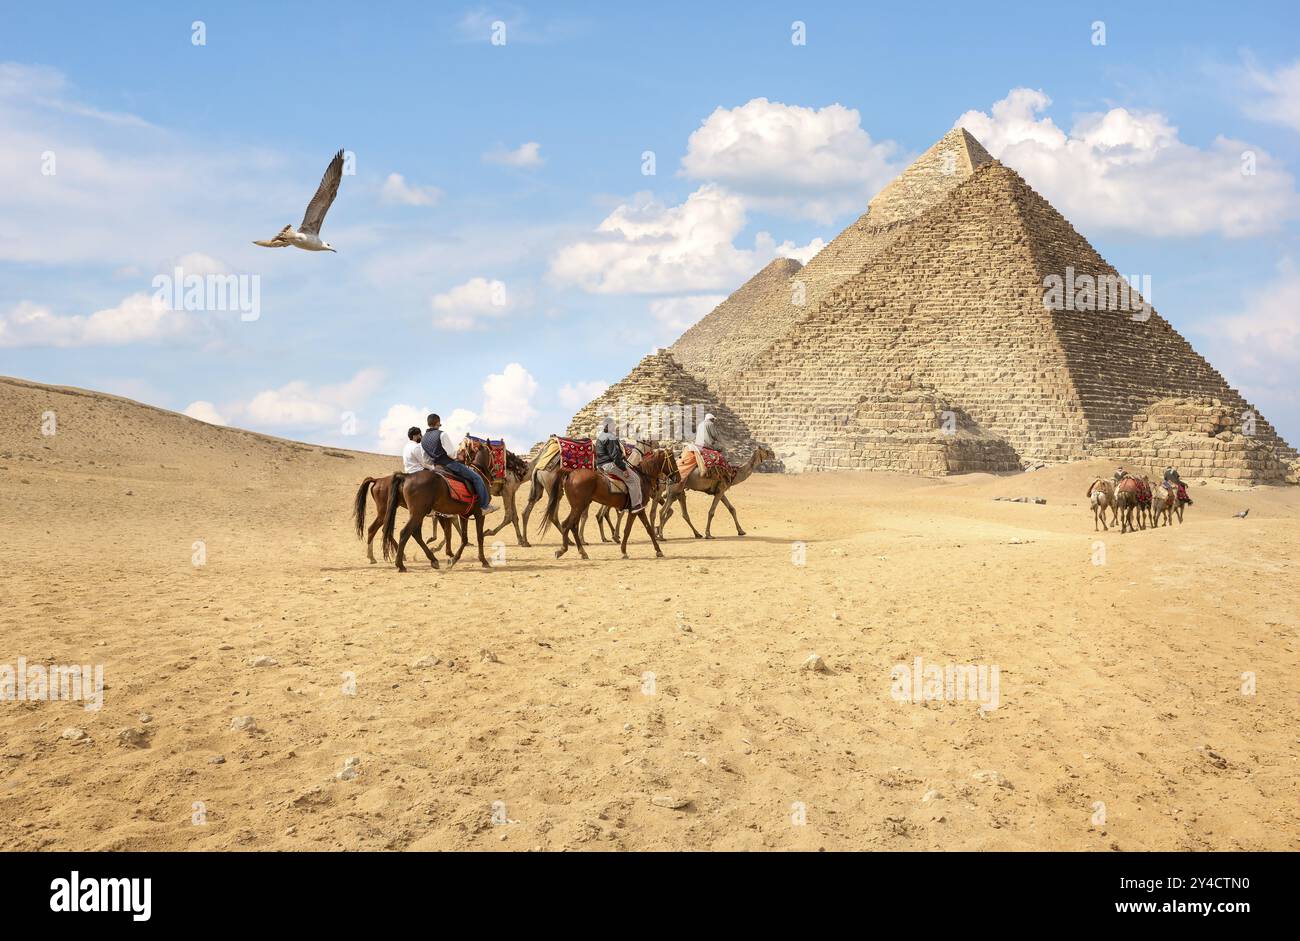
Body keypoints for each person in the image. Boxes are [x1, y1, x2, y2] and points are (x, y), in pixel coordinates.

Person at [420, 413, 496, 513]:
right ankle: (485, 506)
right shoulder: (442, 434)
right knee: (477, 478)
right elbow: (451, 453)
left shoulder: (423, 440)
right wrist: (458, 455)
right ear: (438, 422)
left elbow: (425, 459)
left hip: (436, 467)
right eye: (439, 423)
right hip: (449, 465)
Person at [595, 416, 642, 512]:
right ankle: (635, 505)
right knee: (634, 479)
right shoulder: (611, 437)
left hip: (601, 464)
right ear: (609, 426)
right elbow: (615, 456)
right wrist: (624, 469)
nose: (615, 427)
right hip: (610, 465)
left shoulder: (601, 436)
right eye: (613, 425)